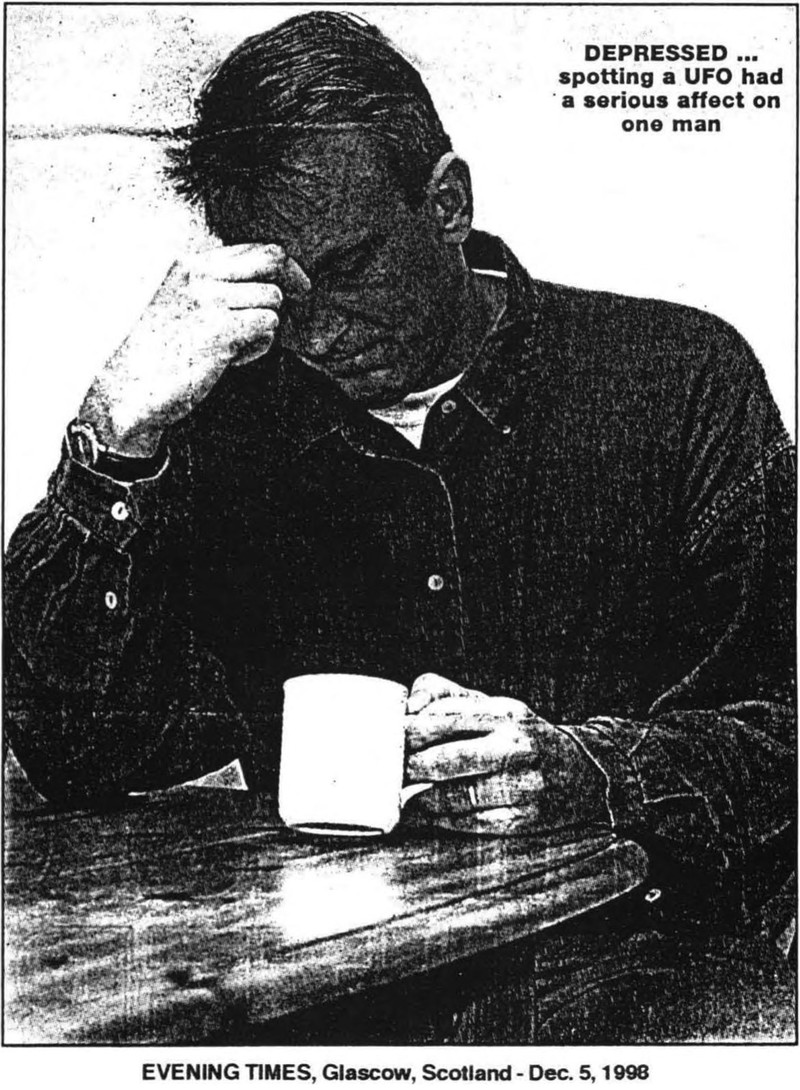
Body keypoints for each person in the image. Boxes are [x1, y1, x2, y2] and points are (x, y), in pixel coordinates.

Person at [4, 10, 795, 1041]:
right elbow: (77, 754)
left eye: (349, 269)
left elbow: (785, 729)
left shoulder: (676, 379)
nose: (321, 333)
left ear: (447, 202)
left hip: (645, 984)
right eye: (283, 294)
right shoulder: (225, 424)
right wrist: (114, 435)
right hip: (331, 995)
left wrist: (588, 771)